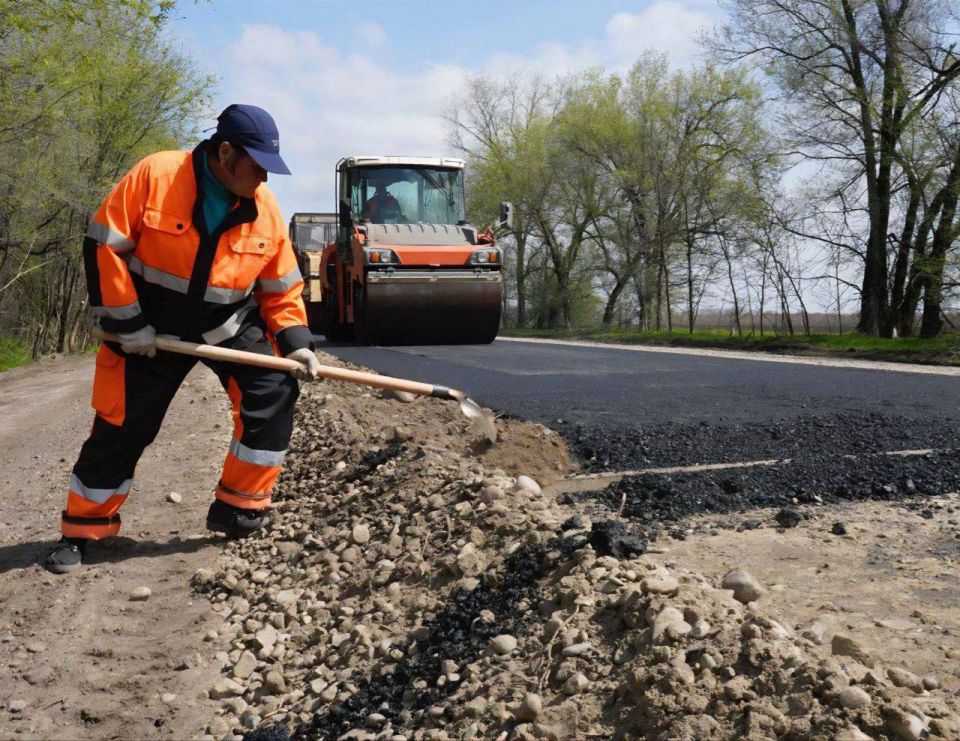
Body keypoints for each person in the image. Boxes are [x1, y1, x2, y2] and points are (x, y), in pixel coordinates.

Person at [46, 104, 322, 574]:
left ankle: (239, 508)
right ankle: (83, 529)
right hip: (148, 328)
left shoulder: (266, 210)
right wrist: (129, 325)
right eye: (257, 166)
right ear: (226, 152)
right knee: (123, 425)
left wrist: (296, 341)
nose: (264, 179)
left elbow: (281, 289)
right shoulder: (157, 175)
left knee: (273, 391)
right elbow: (104, 247)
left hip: (227, 325)